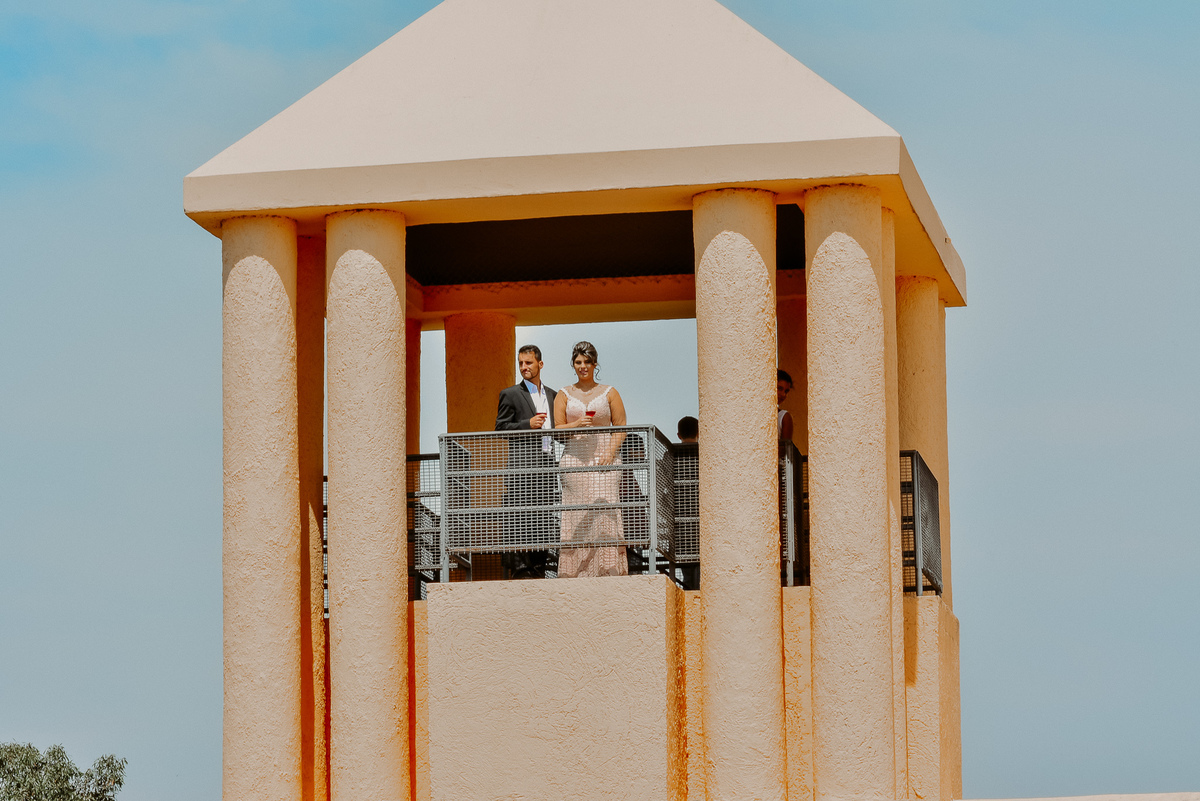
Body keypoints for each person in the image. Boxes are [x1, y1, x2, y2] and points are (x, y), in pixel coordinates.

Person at [553, 341, 629, 578]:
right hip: (574, 461)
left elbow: (622, 427)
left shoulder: (610, 392)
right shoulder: (563, 394)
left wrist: (610, 451)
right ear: (573, 364)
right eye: (578, 362)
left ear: (595, 364)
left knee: (605, 511)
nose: (583, 366)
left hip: (605, 459)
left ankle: (609, 570)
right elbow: (557, 431)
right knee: (575, 515)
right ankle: (575, 572)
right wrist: (575, 424)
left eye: (587, 362)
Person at [494, 345, 558, 579]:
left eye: (528, 363)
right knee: (520, 518)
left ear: (540, 364)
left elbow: (557, 430)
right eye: (520, 363)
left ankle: (539, 569)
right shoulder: (510, 394)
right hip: (521, 469)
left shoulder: (554, 395)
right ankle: (521, 571)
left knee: (542, 519)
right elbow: (500, 428)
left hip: (547, 468)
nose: (524, 367)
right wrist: (526, 425)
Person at [777, 369, 794, 442]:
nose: (783, 394)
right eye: (779, 388)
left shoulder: (784, 417)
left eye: (786, 391)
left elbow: (786, 450)